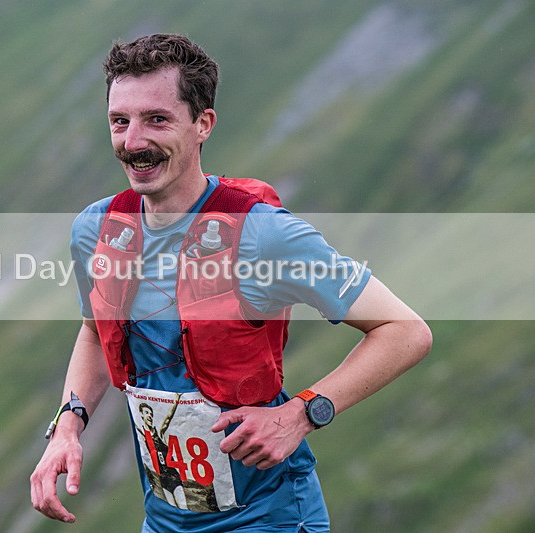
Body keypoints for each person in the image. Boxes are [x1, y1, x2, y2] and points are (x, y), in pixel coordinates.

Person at [30, 33, 432, 532]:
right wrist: (68, 426)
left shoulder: (263, 234)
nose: (133, 142)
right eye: (120, 121)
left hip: (271, 517)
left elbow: (405, 330)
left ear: (203, 124)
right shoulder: (97, 230)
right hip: (166, 520)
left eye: (157, 119)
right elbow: (96, 332)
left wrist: (302, 414)